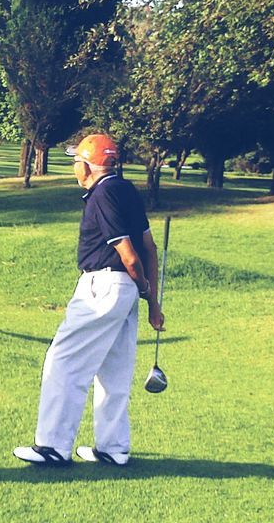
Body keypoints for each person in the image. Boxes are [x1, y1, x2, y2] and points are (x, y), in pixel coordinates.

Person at [14, 134, 165, 467]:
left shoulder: (103, 193)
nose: (73, 167)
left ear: (86, 165)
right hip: (124, 293)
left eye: (75, 161)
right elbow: (150, 248)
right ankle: (113, 449)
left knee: (64, 362)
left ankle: (52, 446)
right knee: (114, 370)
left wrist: (142, 287)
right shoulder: (126, 189)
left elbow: (129, 254)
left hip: (103, 287)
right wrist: (151, 301)